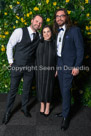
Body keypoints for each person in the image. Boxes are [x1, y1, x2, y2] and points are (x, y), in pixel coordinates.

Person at [2, 15, 43, 124]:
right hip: (17, 66)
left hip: (30, 67)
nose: (38, 24)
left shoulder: (39, 36)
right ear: (32, 21)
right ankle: (7, 112)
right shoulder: (19, 31)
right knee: (13, 90)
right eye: (36, 21)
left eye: (40, 23)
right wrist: (11, 62)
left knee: (27, 89)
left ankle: (24, 108)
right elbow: (10, 45)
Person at [53, 8, 84, 130]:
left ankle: (66, 116)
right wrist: (56, 67)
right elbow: (58, 51)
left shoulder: (75, 30)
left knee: (66, 90)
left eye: (62, 16)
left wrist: (77, 66)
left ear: (66, 17)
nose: (59, 18)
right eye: (57, 16)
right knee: (62, 89)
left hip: (69, 65)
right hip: (60, 64)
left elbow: (80, 49)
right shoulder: (57, 31)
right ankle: (65, 111)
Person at [36, 25, 57, 116]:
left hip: (50, 69)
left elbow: (58, 58)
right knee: (40, 87)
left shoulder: (55, 43)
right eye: (44, 32)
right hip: (39, 69)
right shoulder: (38, 43)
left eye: (48, 31)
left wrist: (57, 69)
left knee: (49, 87)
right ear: (42, 34)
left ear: (51, 33)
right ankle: (42, 105)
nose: (46, 34)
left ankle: (47, 106)